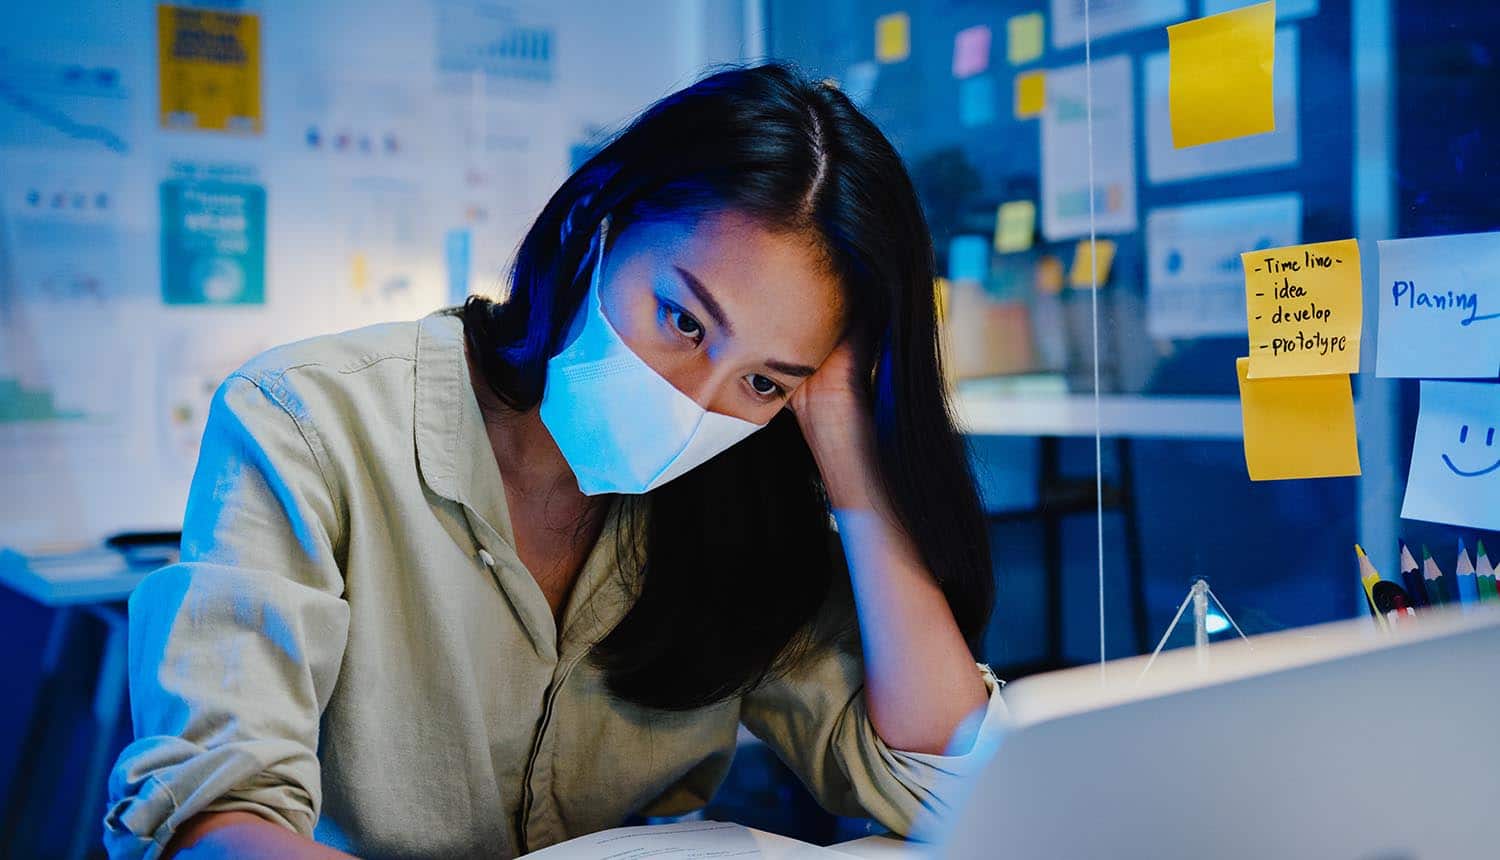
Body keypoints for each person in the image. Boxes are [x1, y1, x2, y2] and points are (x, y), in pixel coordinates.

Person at [102, 62, 1004, 860]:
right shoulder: (310, 419)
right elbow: (214, 820)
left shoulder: (744, 504)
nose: (700, 401)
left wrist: (853, 455)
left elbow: (951, 791)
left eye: (765, 382)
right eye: (684, 321)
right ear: (594, 227)